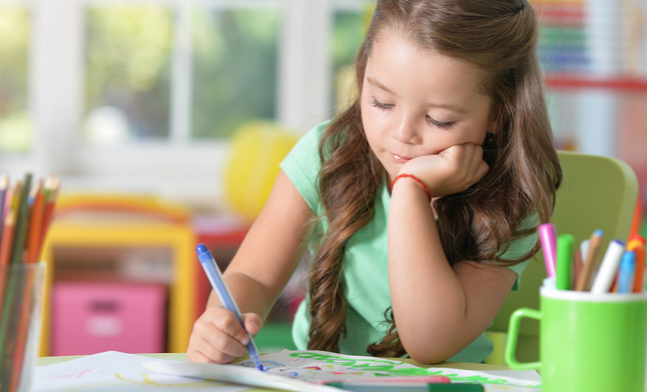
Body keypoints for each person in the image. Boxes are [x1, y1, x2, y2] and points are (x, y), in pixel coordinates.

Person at [187, 0, 562, 364]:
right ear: (362, 73)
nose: (401, 134)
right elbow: (253, 275)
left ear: (500, 112)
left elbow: (429, 343)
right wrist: (223, 319)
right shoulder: (326, 153)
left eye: (439, 120)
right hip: (318, 384)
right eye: (382, 102)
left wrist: (410, 192)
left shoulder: (510, 198)